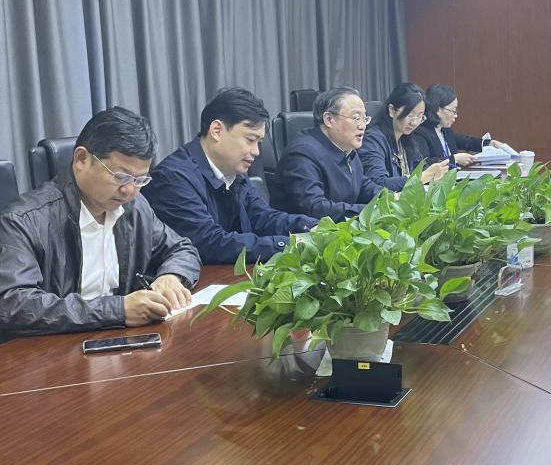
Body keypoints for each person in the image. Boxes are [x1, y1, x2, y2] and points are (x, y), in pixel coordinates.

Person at [0, 107, 201, 336]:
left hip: (119, 341)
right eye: (121, 176)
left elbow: (182, 248)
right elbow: (12, 304)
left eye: (139, 180)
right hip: (52, 349)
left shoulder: (135, 208)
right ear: (81, 159)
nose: (129, 190)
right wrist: (118, 310)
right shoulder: (23, 221)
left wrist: (171, 276)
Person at [144, 87, 318, 265]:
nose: (256, 151)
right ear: (216, 130)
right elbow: (210, 243)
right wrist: (292, 243)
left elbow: (262, 217)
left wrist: (312, 227)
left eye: (259, 142)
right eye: (250, 140)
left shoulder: (233, 170)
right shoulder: (173, 178)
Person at [276, 87, 384, 221]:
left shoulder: (346, 149)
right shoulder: (302, 154)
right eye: (356, 118)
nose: (363, 126)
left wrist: (390, 199)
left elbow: (363, 186)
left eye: (364, 118)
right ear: (329, 119)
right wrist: (372, 210)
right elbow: (316, 208)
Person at [359, 82, 448, 191]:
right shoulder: (373, 140)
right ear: (392, 110)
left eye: (419, 116)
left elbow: (421, 166)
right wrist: (422, 177)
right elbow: (378, 183)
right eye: (410, 115)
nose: (414, 122)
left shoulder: (406, 138)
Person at [413, 84, 508, 168]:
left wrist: (489, 143)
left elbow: (466, 141)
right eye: (453, 111)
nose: (456, 115)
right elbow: (424, 164)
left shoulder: (444, 130)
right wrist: (455, 159)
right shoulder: (420, 133)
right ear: (438, 110)